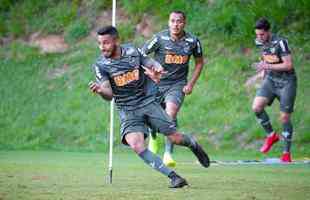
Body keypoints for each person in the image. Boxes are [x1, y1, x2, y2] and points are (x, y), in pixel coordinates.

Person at [89, 26, 210, 188]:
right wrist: (100, 91)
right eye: (99, 43)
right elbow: (109, 95)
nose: (102, 47)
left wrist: (157, 68)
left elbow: (149, 61)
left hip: (147, 102)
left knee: (174, 137)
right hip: (127, 110)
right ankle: (174, 177)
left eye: (106, 43)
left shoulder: (132, 50)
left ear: (116, 41)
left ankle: (193, 144)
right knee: (136, 145)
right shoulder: (101, 65)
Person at [141, 11, 204, 167]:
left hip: (177, 85)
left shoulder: (193, 41)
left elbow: (199, 63)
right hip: (156, 83)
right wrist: (150, 70)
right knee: (153, 116)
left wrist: (190, 84)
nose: (176, 24)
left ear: (184, 23)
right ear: (169, 22)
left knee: (170, 114)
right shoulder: (159, 38)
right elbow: (141, 54)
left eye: (179, 21)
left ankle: (168, 154)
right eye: (173, 21)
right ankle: (153, 136)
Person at [252, 18, 297, 163]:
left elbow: (288, 65)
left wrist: (267, 67)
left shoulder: (280, 42)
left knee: (284, 117)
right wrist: (258, 77)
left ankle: (286, 153)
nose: (259, 38)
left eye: (262, 35)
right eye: (257, 35)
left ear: (268, 32)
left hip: (286, 82)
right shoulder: (260, 43)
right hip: (271, 80)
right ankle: (271, 135)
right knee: (256, 107)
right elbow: (266, 61)